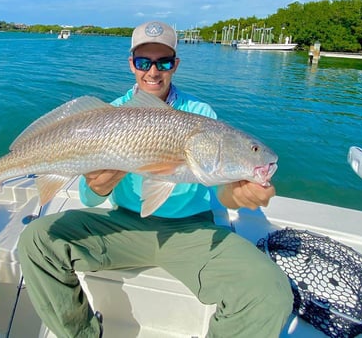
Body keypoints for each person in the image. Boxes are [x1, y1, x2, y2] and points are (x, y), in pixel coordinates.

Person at [18, 21, 293, 338]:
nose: (153, 72)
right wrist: (98, 184)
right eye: (143, 62)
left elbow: (222, 191)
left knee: (270, 290)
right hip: (124, 225)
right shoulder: (110, 114)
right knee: (36, 240)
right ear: (131, 64)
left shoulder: (200, 114)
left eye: (163, 62)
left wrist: (241, 195)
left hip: (192, 230)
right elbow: (91, 197)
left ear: (175, 64)